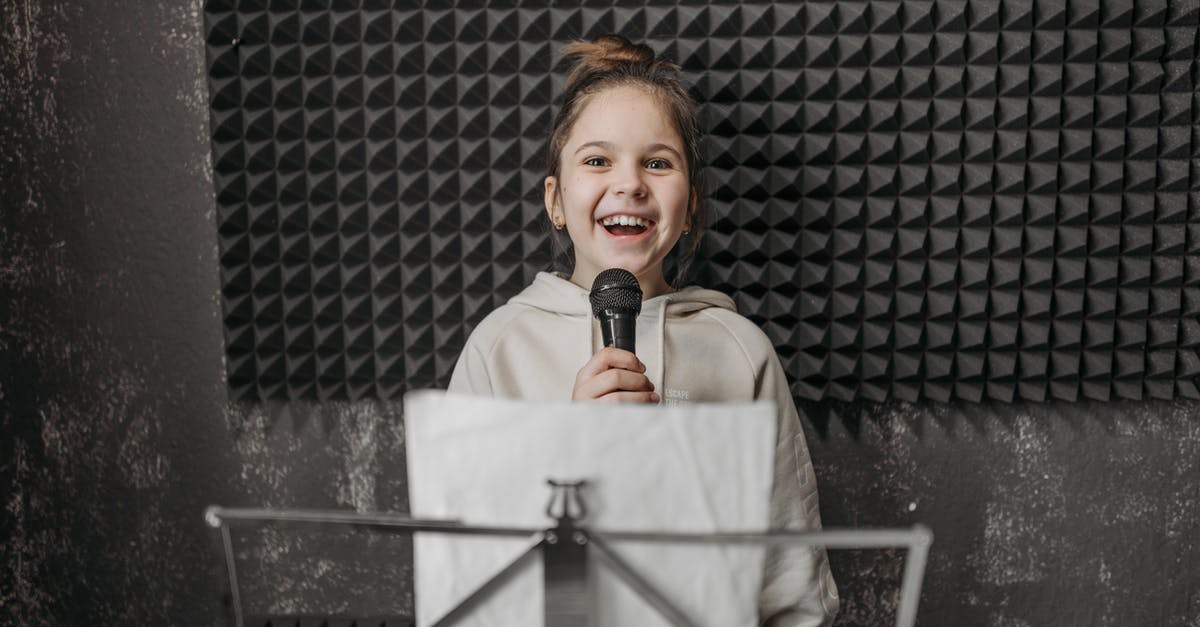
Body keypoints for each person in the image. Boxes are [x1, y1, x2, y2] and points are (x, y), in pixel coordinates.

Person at [448, 34, 839, 626]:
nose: (629, 183)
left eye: (657, 163)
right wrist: (573, 452)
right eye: (597, 160)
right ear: (555, 200)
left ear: (691, 210)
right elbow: (465, 574)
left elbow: (790, 582)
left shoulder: (740, 353)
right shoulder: (499, 349)